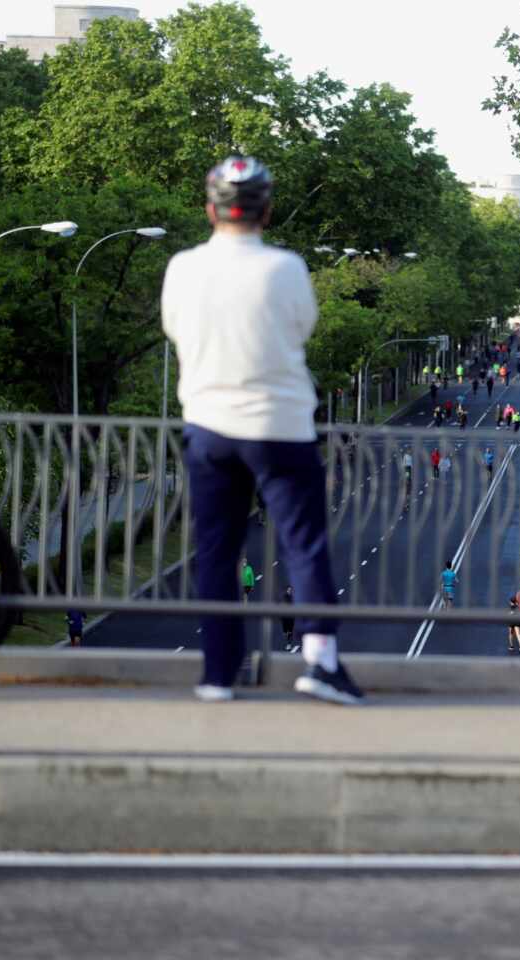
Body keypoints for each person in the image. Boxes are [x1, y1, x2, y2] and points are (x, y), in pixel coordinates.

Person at [162, 155, 361, 705]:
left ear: (209, 210)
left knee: (217, 550)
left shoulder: (182, 268)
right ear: (266, 212)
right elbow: (303, 327)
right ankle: (321, 663)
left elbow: (173, 328)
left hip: (208, 424)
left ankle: (219, 674)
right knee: (304, 546)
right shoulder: (286, 268)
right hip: (280, 425)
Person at [280, 585, 296, 652]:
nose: (290, 591)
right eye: (288, 590)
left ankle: (289, 644)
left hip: (291, 617)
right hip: (285, 616)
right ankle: (287, 636)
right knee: (285, 631)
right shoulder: (284, 597)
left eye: (290, 590)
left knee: (290, 631)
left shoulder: (293, 597)